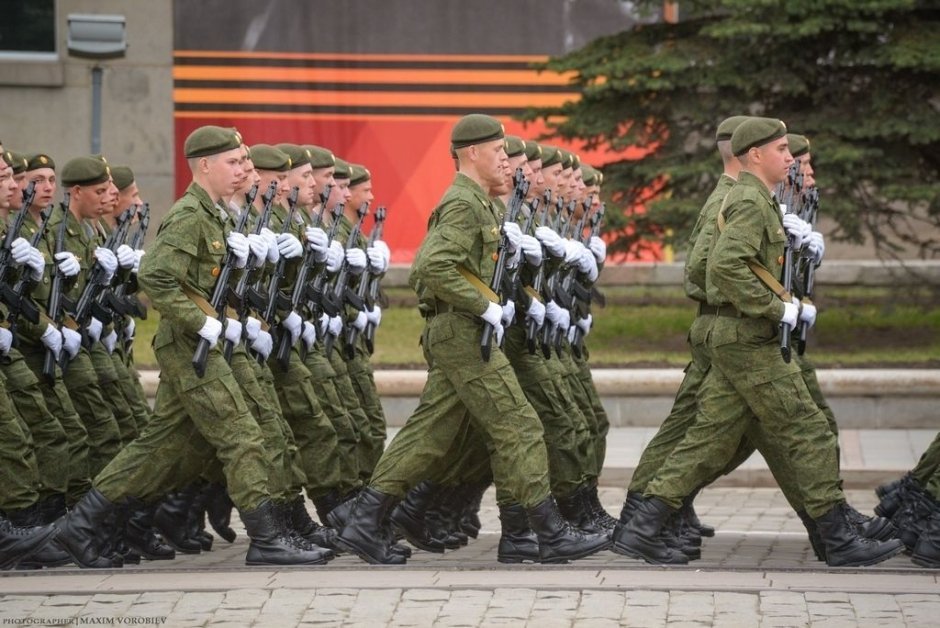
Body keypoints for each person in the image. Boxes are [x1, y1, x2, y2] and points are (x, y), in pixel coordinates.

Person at [612, 117, 904, 568]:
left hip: (743, 335)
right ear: (755, 155)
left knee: (713, 438)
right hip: (745, 335)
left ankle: (644, 525)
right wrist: (776, 308)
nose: (791, 159)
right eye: (783, 150)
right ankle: (836, 535)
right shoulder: (747, 200)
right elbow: (721, 269)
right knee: (806, 429)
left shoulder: (756, 200)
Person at [335, 113, 610, 565]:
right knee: (519, 426)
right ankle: (548, 532)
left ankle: (365, 522)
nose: (507, 161)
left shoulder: (481, 202)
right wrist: (484, 302)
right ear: (472, 154)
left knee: (428, 434)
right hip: (463, 331)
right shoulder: (464, 203)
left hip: (464, 332)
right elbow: (431, 267)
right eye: (499, 152)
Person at [53, 125, 330, 568]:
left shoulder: (215, 213)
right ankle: (266, 539)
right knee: (243, 437)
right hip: (190, 348)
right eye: (234, 162)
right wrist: (201, 321)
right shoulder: (190, 215)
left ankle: (80, 526)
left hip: (205, 343)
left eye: (244, 162)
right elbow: (157, 277)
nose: (244, 170)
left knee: (161, 449)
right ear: (205, 166)